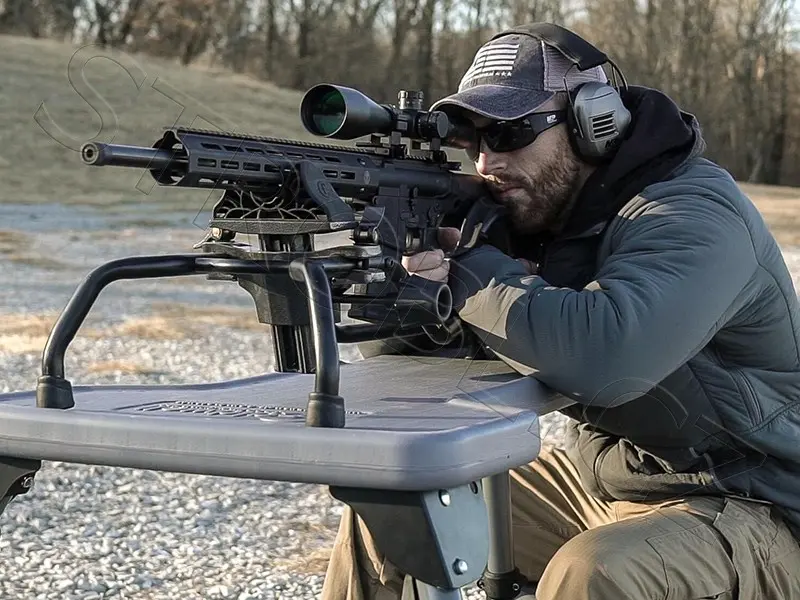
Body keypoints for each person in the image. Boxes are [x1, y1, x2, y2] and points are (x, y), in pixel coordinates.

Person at [320, 22, 800, 600]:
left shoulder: (693, 213)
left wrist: (468, 265)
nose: (487, 161)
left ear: (594, 123)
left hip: (754, 503)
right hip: (615, 484)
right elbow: (410, 366)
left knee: (597, 570)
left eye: (510, 132)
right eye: (473, 140)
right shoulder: (549, 217)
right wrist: (410, 285)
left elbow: (606, 358)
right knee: (395, 512)